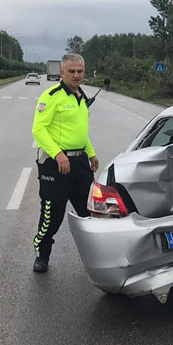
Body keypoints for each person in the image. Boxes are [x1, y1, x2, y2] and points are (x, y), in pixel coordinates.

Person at [31, 53, 99, 273]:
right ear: (62, 72)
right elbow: (38, 130)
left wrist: (91, 153)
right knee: (53, 214)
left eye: (80, 71)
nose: (76, 75)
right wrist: (58, 154)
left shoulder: (81, 97)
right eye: (71, 71)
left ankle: (97, 256)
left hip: (79, 165)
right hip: (55, 164)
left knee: (90, 212)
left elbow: (80, 133)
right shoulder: (51, 96)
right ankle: (42, 254)